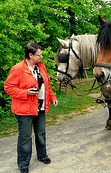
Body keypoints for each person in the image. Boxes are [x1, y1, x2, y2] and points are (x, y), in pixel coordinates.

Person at [4, 42, 59, 173]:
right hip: (24, 110)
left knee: (41, 133)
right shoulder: (18, 69)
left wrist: (52, 98)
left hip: (40, 107)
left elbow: (47, 85)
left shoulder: (41, 66)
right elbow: (8, 87)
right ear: (30, 55)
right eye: (39, 55)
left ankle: (42, 155)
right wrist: (25, 93)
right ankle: (23, 163)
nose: (41, 57)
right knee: (25, 138)